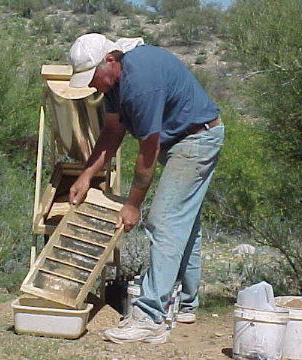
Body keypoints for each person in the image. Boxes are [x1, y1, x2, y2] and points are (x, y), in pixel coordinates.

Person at [67, 33, 224, 344]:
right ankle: (186, 304)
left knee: (163, 221)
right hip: (183, 139)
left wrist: (133, 205)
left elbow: (146, 155)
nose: (90, 85)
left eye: (92, 76)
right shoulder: (115, 82)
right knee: (183, 222)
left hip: (195, 140)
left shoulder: (140, 83)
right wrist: (86, 174)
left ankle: (150, 317)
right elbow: (112, 132)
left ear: (109, 60)